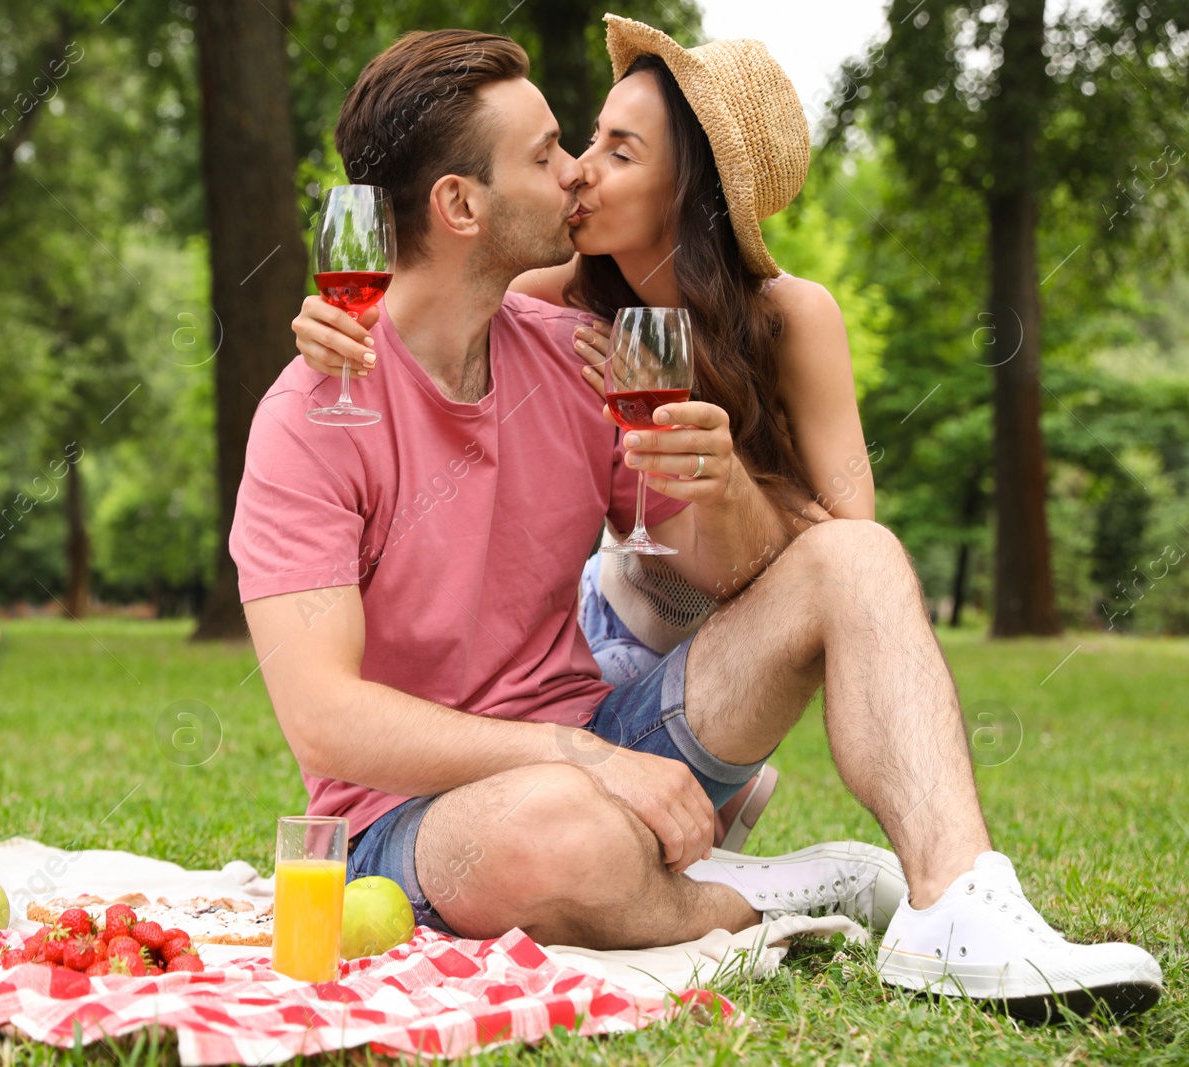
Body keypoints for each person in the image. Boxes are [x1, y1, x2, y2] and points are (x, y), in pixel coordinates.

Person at [233, 21, 1161, 1019]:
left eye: (588, 147)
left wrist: (716, 487)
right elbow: (325, 719)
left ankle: (956, 897)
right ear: (460, 203)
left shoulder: (585, 350)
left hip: (606, 732)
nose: (574, 174)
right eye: (547, 153)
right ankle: (769, 894)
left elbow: (734, 577)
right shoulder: (310, 416)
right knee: (552, 830)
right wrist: (583, 760)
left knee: (854, 555)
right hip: (427, 813)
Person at [290, 17, 877, 850]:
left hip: (732, 611)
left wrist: (730, 479)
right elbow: (433, 304)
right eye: (585, 141)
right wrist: (332, 324)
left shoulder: (795, 317)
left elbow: (856, 546)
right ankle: (683, 813)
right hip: (618, 625)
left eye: (619, 153)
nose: (579, 174)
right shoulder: (555, 296)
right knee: (580, 806)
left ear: (691, 192)